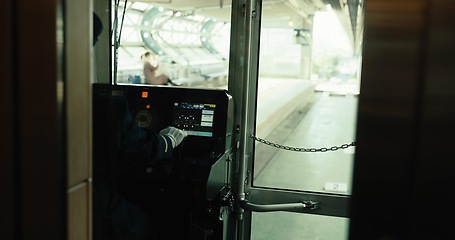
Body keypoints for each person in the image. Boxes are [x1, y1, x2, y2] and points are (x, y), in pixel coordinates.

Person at [92, 13, 188, 240]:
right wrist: (169, 140)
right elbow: (138, 145)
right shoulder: (106, 105)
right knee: (159, 216)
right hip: (96, 206)